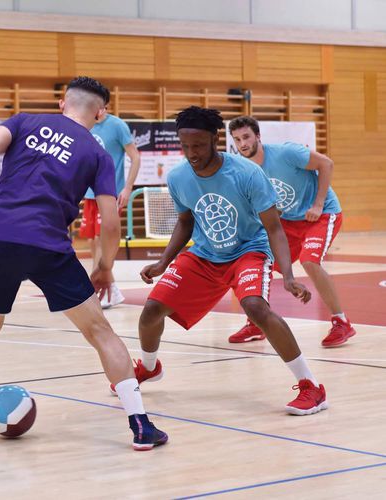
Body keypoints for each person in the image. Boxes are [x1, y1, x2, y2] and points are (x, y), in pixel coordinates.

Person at [0, 76, 167, 451]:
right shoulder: (97, 155)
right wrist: (105, 266)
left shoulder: (25, 121)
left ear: (62, 103)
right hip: (48, 244)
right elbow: (110, 223)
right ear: (101, 113)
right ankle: (140, 425)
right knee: (99, 331)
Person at [113, 106, 328, 416]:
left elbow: (274, 228)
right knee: (152, 310)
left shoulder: (247, 173)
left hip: (249, 250)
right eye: (185, 146)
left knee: (255, 307)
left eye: (199, 145)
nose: (192, 153)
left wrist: (289, 276)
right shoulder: (178, 177)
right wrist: (163, 262)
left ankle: (311, 387)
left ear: (215, 140)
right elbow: (185, 222)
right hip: (205, 254)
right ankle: (149, 367)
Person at [228, 116, 356, 348]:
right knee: (259, 261)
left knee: (309, 261)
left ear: (258, 136)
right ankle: (256, 322)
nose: (243, 144)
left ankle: (341, 322)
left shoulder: (286, 153)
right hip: (289, 220)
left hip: (321, 213)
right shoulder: (245, 170)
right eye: (237, 140)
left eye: (246, 137)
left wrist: (318, 204)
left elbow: (326, 164)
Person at [78, 104, 140, 309]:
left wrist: (128, 188)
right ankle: (110, 288)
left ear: (105, 106)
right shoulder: (85, 124)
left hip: (110, 191)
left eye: (102, 107)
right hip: (89, 193)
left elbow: (135, 157)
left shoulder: (117, 126)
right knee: (92, 241)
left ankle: (96, 289)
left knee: (101, 239)